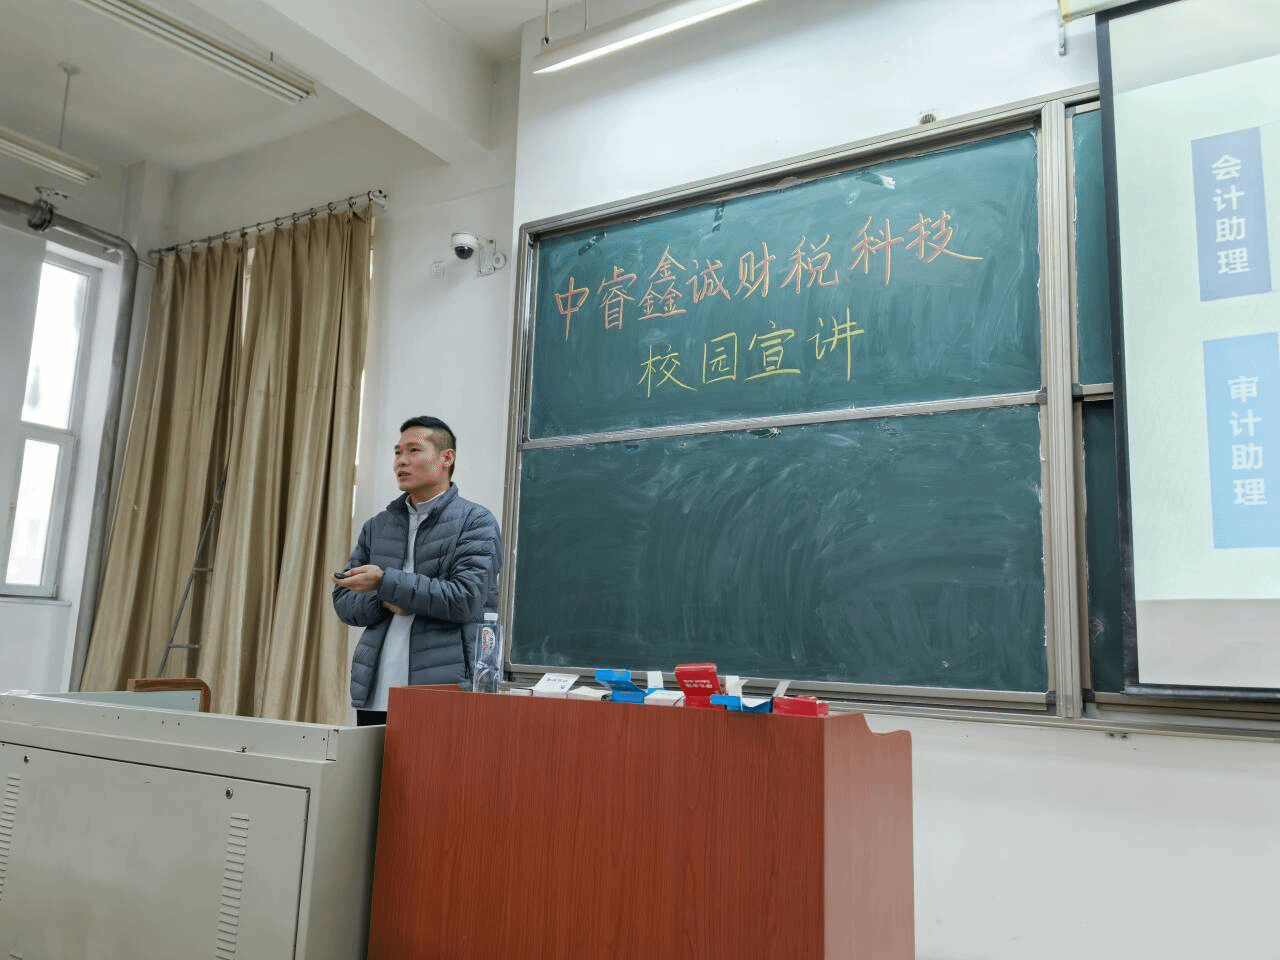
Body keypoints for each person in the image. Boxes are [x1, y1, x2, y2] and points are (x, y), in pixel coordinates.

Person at [332, 416, 501, 726]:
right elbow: (344, 602)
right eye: (397, 452)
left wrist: (386, 582)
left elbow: (466, 599)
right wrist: (386, 599)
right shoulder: (377, 526)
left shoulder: (476, 522)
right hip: (374, 692)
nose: (401, 461)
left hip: (444, 691)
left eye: (413, 450)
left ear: (447, 458)